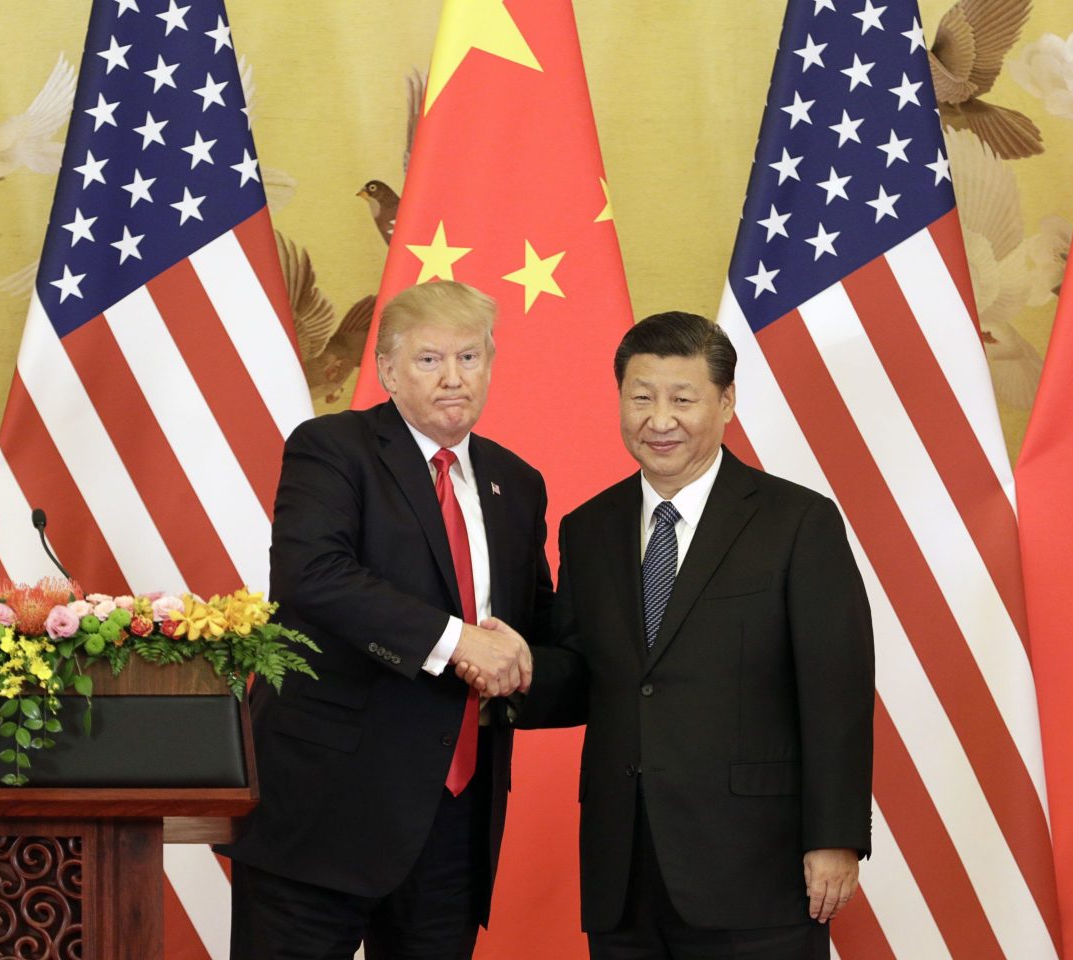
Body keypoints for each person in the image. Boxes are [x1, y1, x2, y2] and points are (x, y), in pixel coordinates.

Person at [472, 311, 874, 959]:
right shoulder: (588, 528)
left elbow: (837, 693)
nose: (660, 420)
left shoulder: (797, 522)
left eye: (683, 399)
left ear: (726, 402)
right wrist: (509, 673)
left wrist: (836, 838)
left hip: (756, 870)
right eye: (641, 397)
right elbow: (583, 677)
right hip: (623, 870)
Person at [219, 280, 551, 960]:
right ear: (389, 371)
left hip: (453, 820)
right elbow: (312, 578)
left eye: (469, 357)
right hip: (323, 814)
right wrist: (458, 641)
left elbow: (530, 630)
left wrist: (526, 659)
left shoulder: (516, 483)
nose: (453, 377)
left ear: (490, 364)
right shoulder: (332, 448)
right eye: (430, 360)